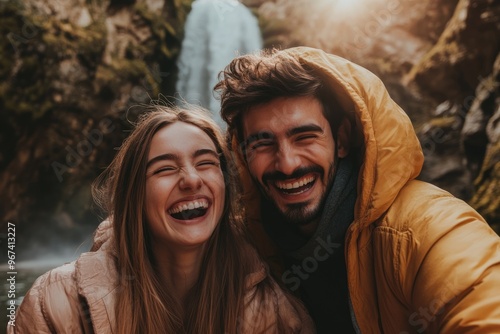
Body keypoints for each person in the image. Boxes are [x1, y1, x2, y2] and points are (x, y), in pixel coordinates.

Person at [215, 46, 500, 333]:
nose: (287, 164)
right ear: (243, 157)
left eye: (304, 137)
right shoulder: (243, 247)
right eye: (262, 144)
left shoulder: (427, 227)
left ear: (342, 139)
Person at [8, 104, 314, 333]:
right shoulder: (56, 302)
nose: (191, 180)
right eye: (165, 169)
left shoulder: (277, 313)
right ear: (134, 197)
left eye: (206, 163)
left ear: (225, 185)